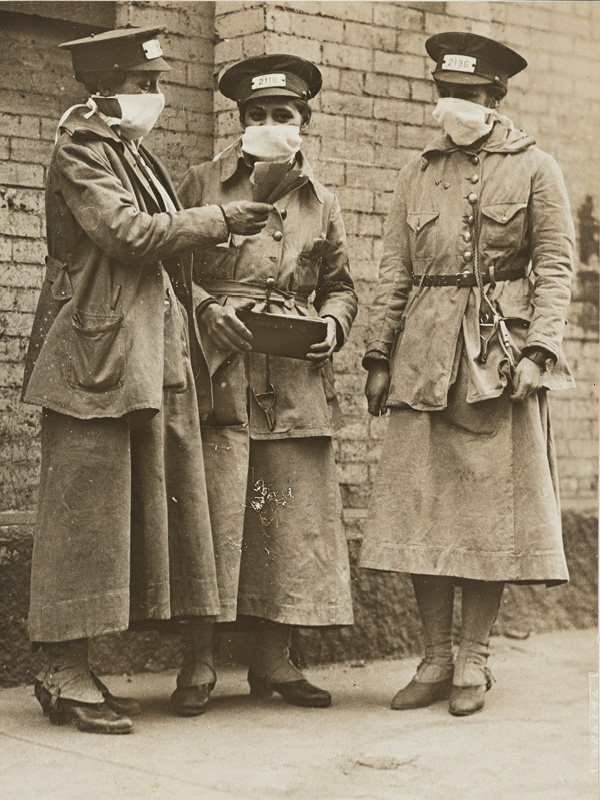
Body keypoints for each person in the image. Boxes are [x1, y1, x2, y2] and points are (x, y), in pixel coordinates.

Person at [21, 26, 272, 734]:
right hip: (93, 360)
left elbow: (160, 264)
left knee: (115, 518)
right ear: (104, 88)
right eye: (145, 86)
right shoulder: (81, 150)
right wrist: (217, 220)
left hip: (139, 358)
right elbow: (129, 235)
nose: (156, 99)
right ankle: (61, 669)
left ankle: (77, 667)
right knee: (82, 515)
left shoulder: (130, 153)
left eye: (156, 85)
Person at [361, 32, 575, 716]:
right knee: (423, 506)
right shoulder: (415, 175)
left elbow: (557, 267)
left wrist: (539, 352)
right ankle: (434, 656)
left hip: (498, 358)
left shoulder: (538, 168)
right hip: (423, 359)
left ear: (497, 99)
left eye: (471, 95)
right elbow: (395, 269)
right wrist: (376, 354)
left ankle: (475, 659)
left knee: (488, 514)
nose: (456, 106)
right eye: (446, 93)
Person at [175, 54, 357, 713]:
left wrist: (333, 324)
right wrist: (204, 309)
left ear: (304, 123)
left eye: (283, 115)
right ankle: (196, 663)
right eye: (256, 115)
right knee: (213, 511)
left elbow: (340, 285)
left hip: (292, 375)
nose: (269, 125)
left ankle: (275, 661)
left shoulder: (322, 201)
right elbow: (169, 267)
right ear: (239, 122)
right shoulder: (202, 181)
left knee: (284, 513)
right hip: (221, 366)